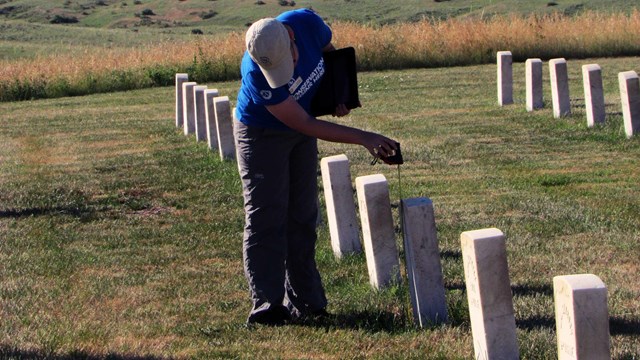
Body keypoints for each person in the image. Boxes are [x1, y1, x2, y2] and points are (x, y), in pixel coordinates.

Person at [234, 8, 398, 326]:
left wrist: (338, 94)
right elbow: (304, 123)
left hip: (300, 128)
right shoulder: (256, 73)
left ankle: (308, 302)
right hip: (262, 134)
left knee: (303, 216)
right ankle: (267, 305)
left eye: (289, 60)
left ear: (292, 37)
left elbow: (331, 56)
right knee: (266, 215)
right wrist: (365, 138)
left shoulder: (307, 23)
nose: (288, 68)